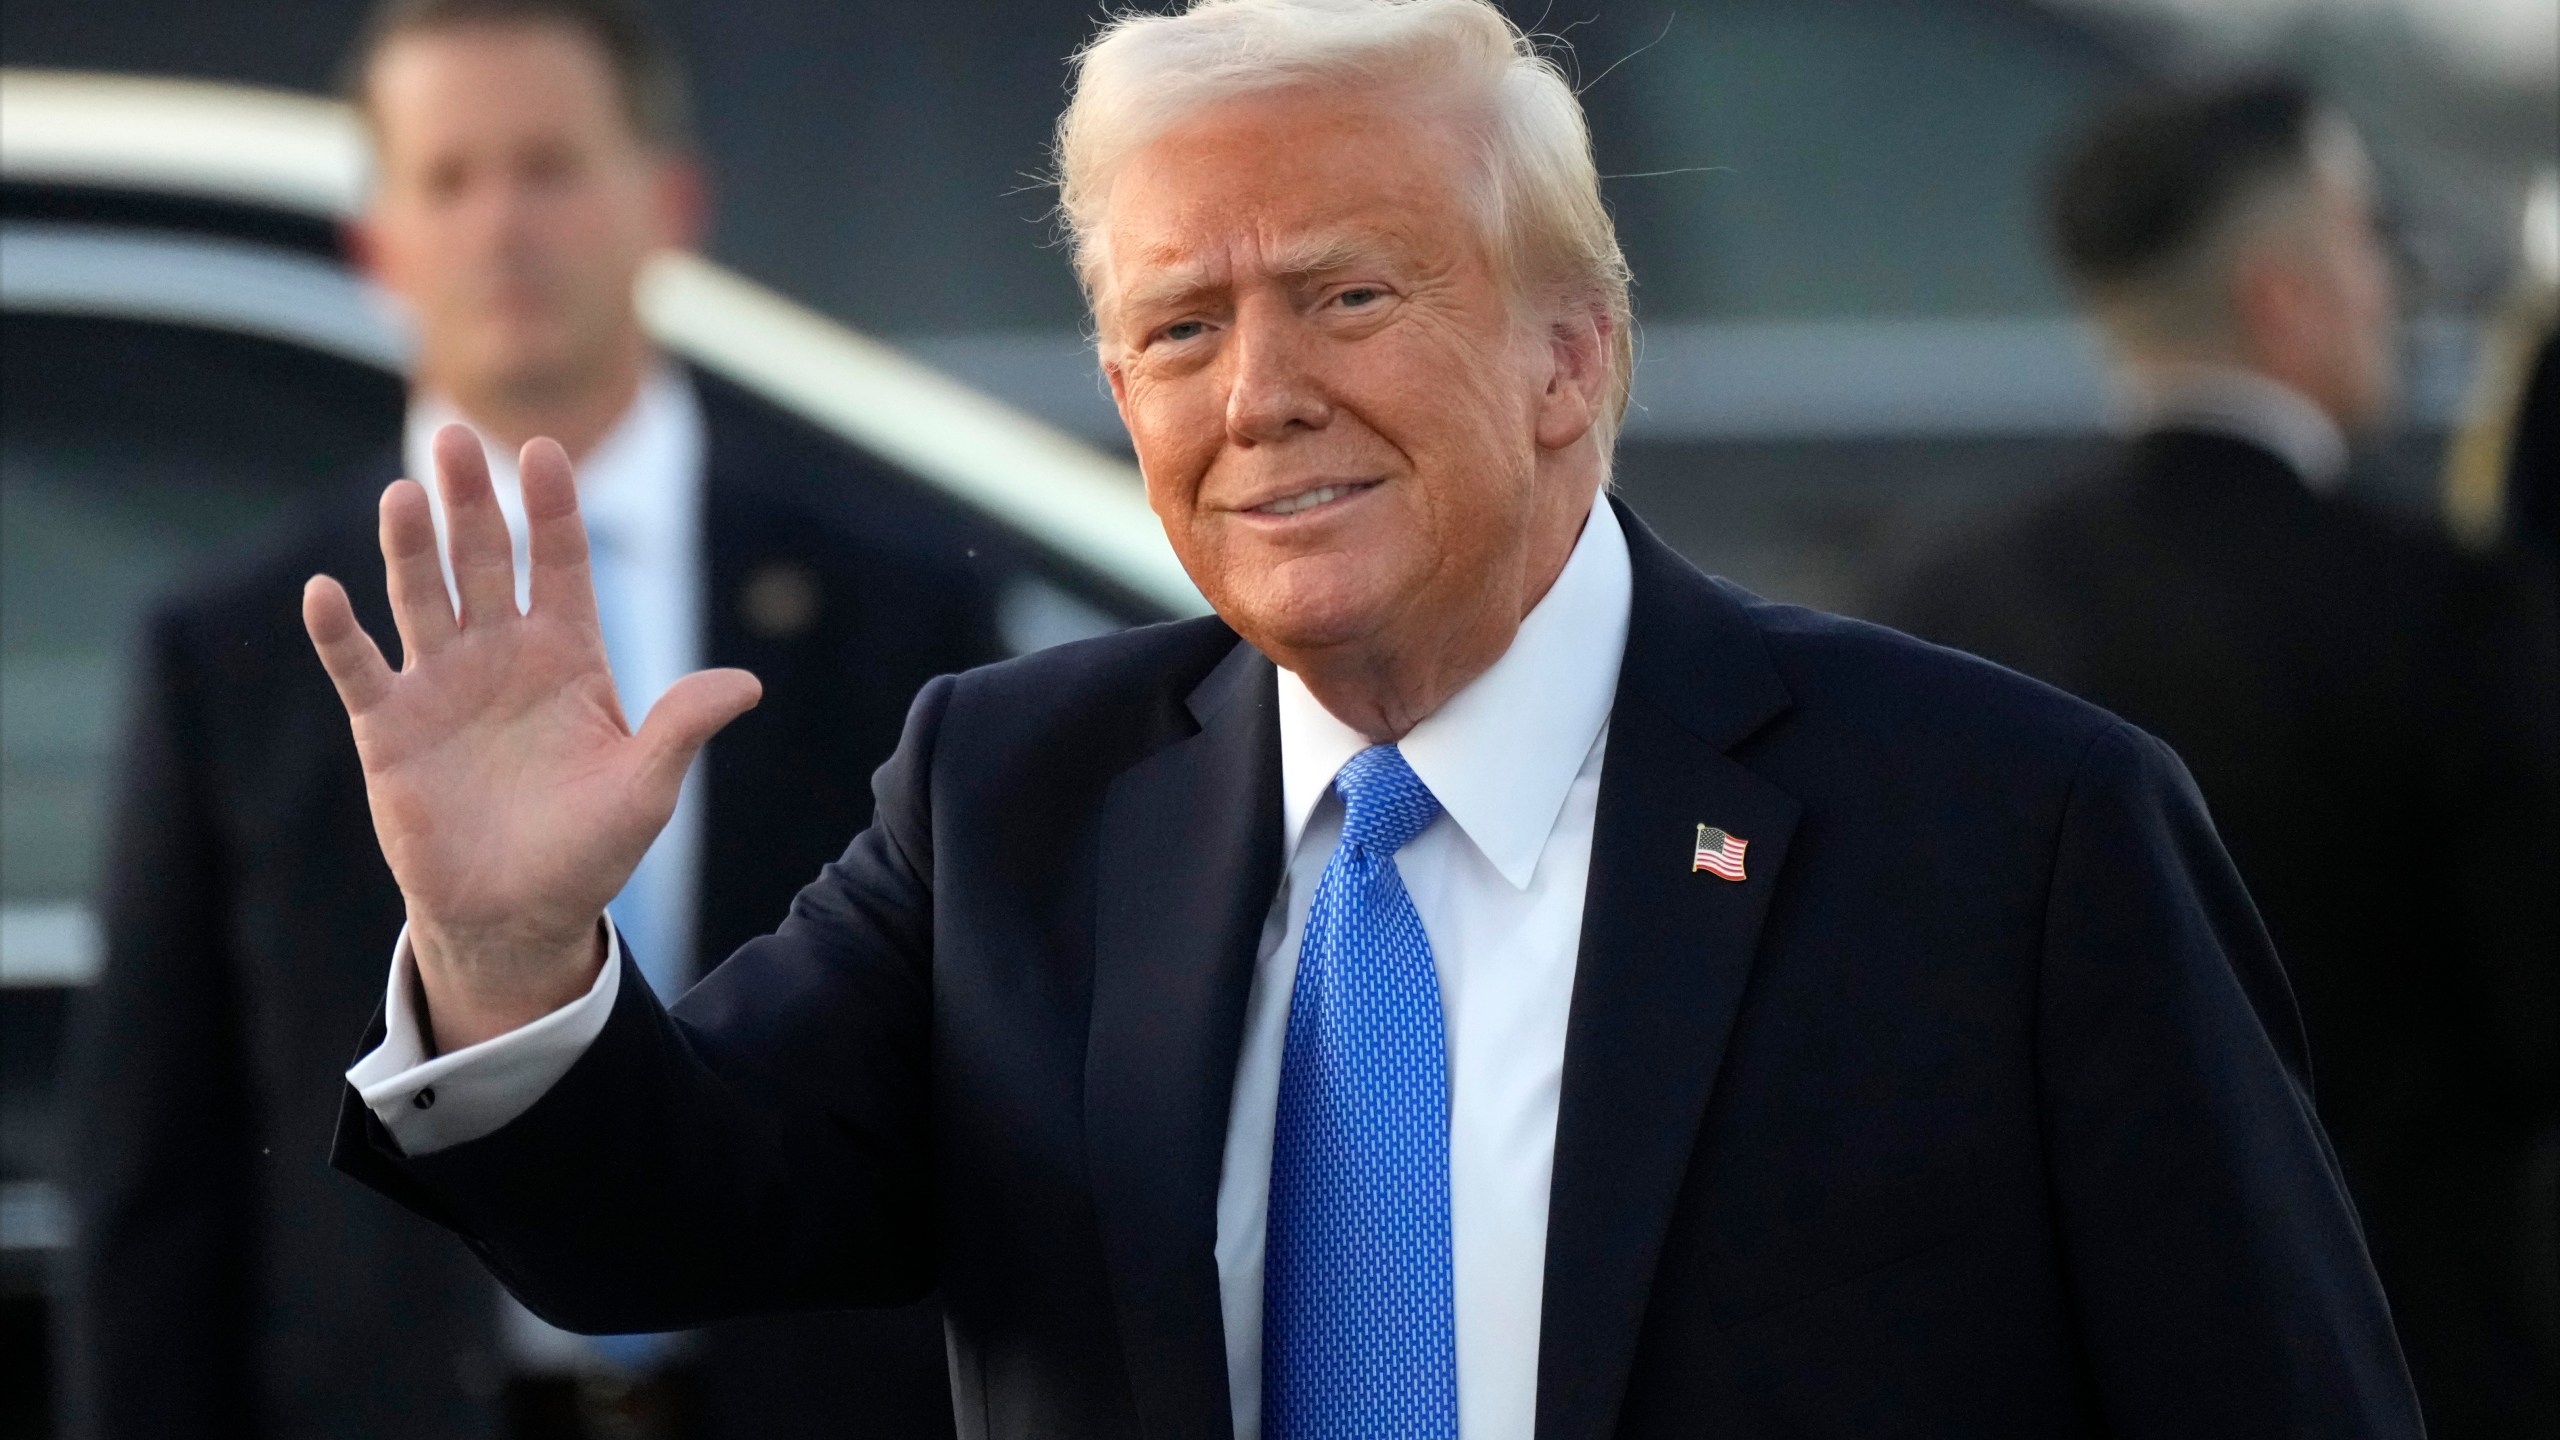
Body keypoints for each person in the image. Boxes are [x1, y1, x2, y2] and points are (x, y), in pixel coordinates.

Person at [313, 3, 2420, 1434]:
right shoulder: (1016, 799)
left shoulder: (2009, 838)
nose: (1256, 398)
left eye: (1343, 294)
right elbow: (654, 1228)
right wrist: (509, 953)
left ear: (1567, 357)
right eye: (1173, 327)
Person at [59, 2, 994, 1437]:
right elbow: (154, 1162)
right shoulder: (241, 646)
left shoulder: (899, 599)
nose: (503, 222)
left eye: (549, 165)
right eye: (449, 178)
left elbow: (976, 1108)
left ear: (668, 202)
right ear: (377, 245)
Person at [1875, 78, 2558, 1439]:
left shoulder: (1940, 610)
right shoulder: (2444, 613)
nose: (2393, 285)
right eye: (2367, 238)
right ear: (2282, 297)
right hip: (2415, 1363)